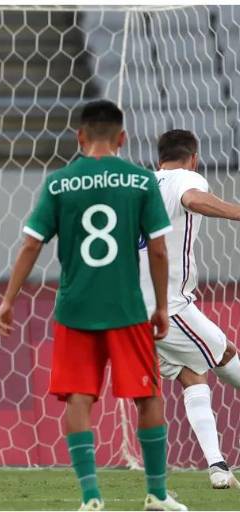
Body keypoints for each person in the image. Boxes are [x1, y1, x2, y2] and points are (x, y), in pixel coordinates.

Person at [0, 100, 186, 511]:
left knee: (79, 397)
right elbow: (160, 250)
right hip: (127, 309)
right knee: (148, 396)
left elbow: (30, 243)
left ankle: (91, 497)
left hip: (75, 310)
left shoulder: (60, 182)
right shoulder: (139, 181)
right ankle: (156, 493)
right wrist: (163, 306)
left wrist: (8, 300)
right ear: (123, 138)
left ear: (79, 137)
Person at [140, 129, 240, 489]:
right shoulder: (186, 177)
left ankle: (217, 466)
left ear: (158, 157)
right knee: (225, 352)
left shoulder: (143, 183)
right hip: (170, 304)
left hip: (134, 307)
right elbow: (195, 199)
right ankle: (216, 465)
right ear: (194, 157)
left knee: (190, 373)